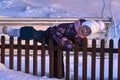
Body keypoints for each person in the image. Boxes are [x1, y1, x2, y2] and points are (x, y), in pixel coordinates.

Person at [2, 19, 106, 78]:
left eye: (88, 32)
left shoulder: (80, 37)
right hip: (48, 36)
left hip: (57, 46)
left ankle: (59, 76)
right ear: (83, 25)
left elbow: (80, 47)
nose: (85, 31)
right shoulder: (70, 26)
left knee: (58, 59)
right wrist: (67, 43)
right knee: (33, 33)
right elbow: (56, 32)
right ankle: (14, 31)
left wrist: (81, 45)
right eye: (85, 28)